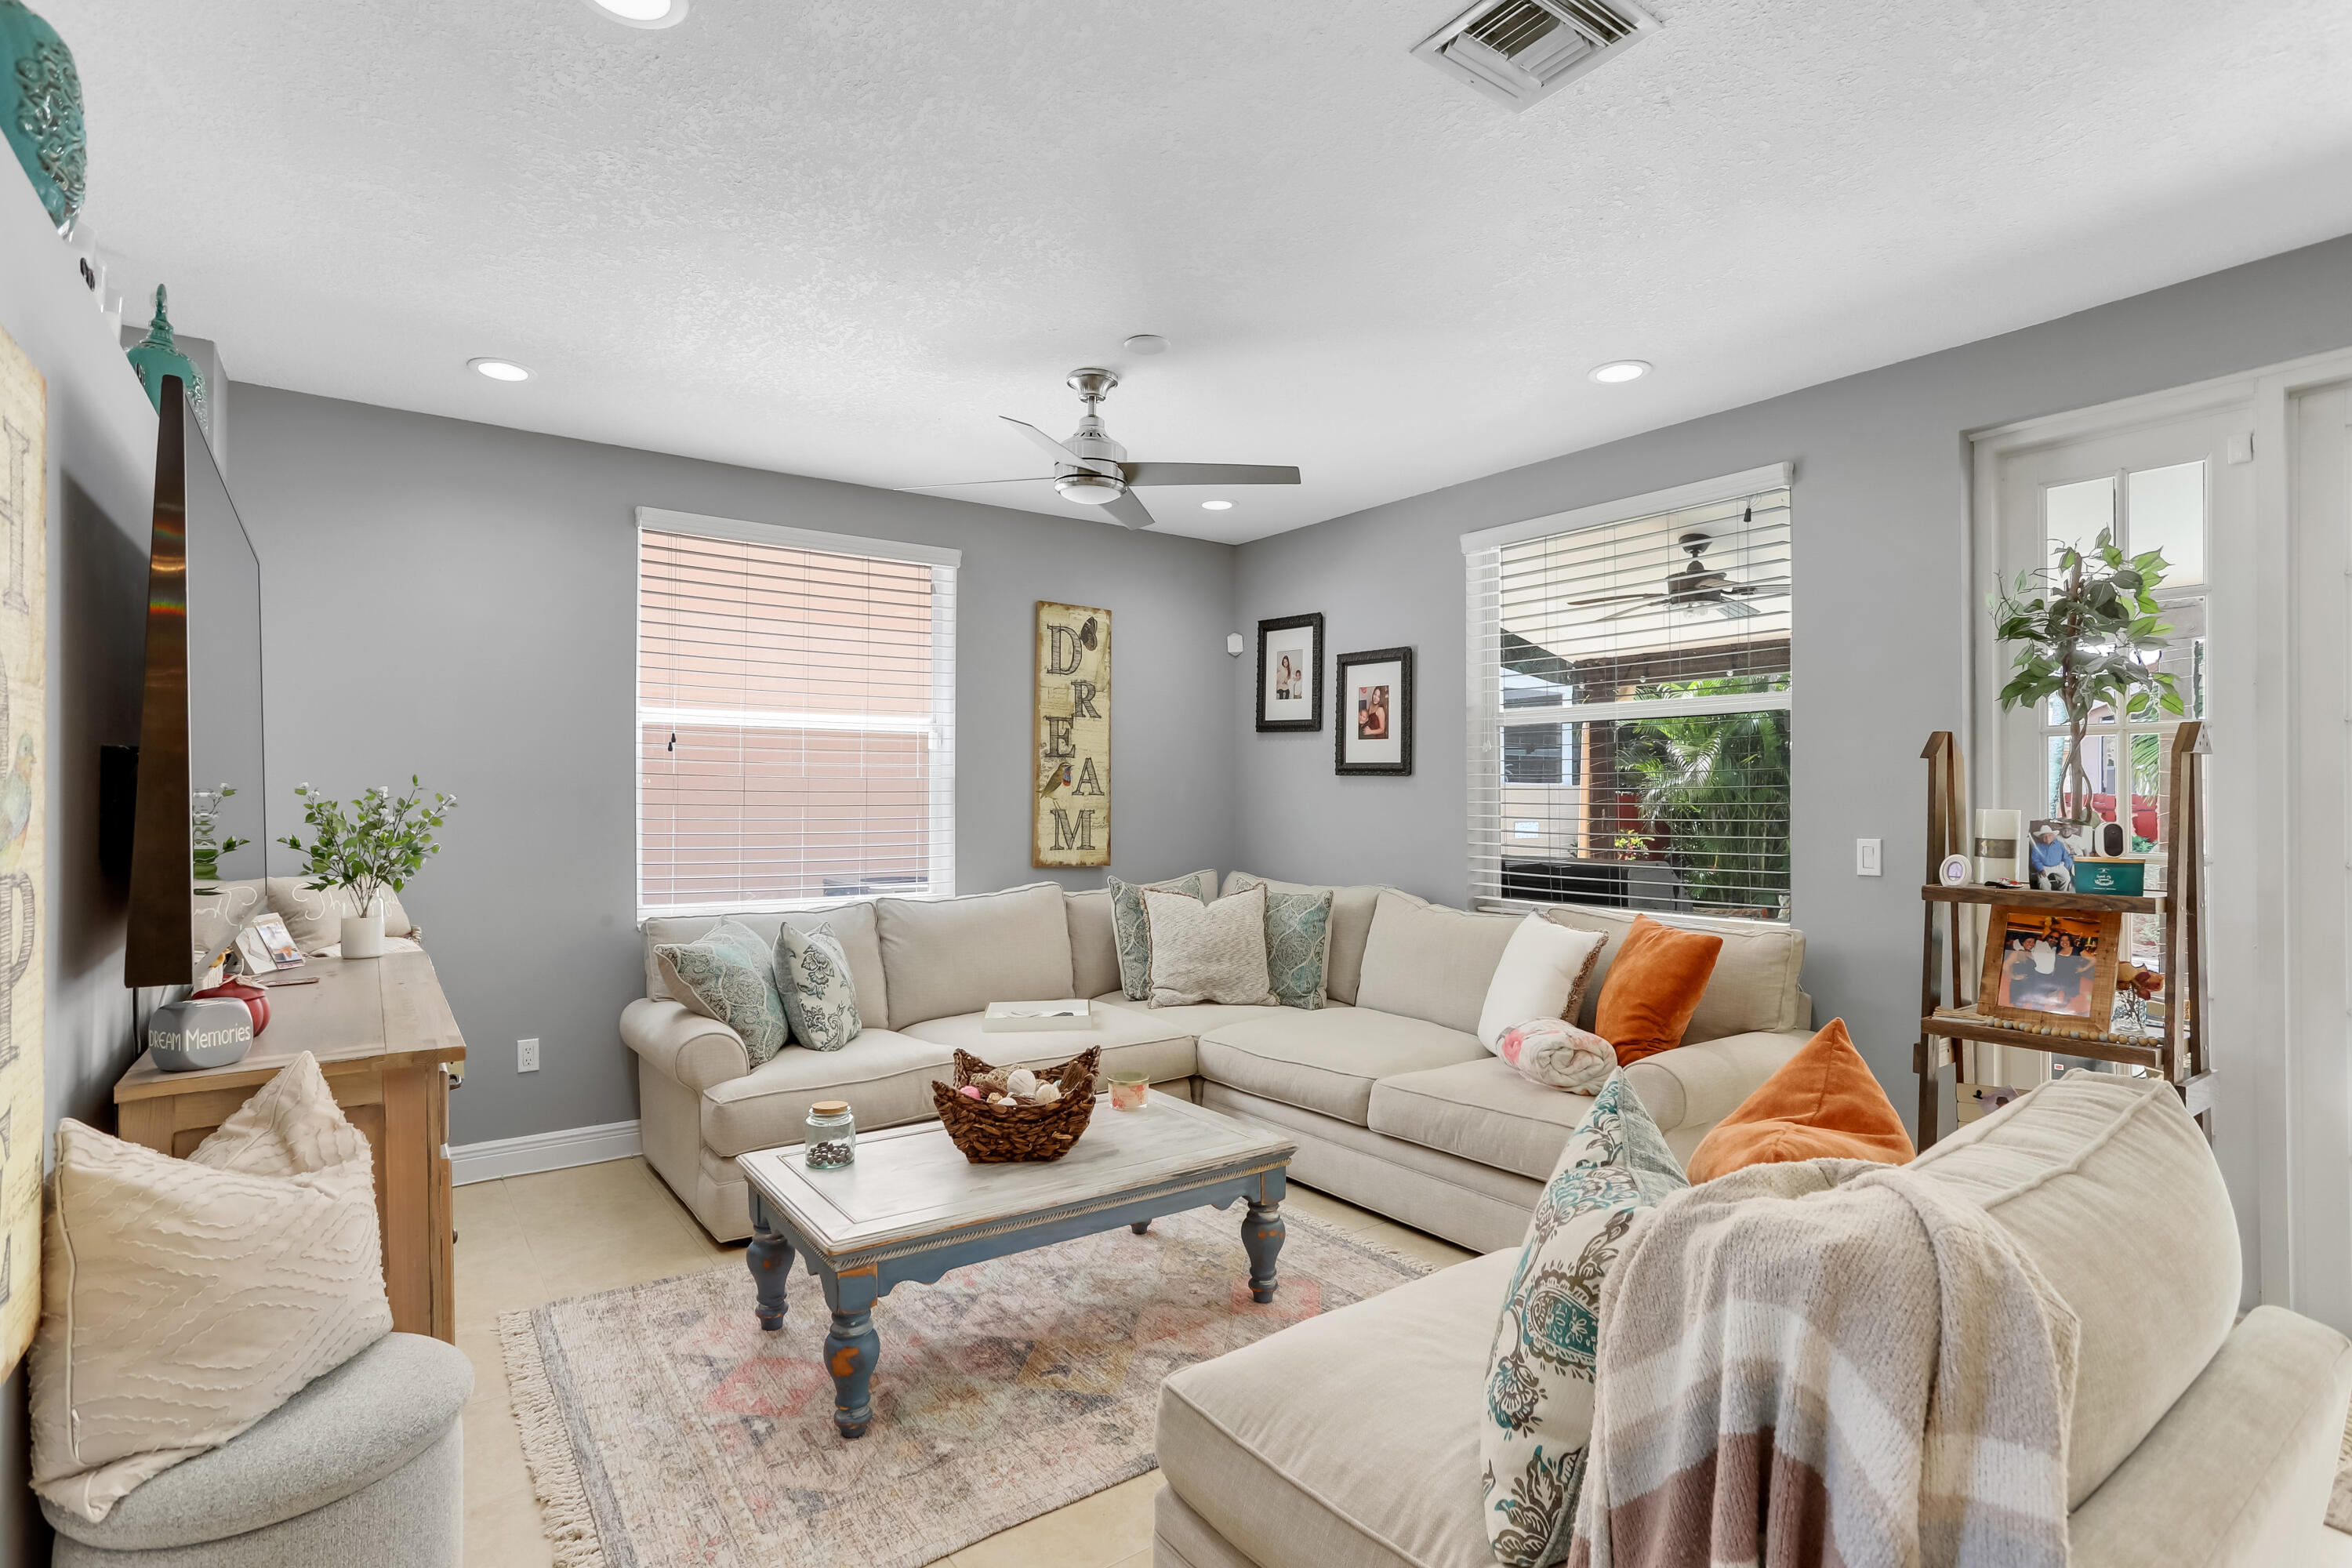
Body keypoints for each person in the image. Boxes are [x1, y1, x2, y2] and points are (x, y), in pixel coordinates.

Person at [2028, 820, 2074, 891]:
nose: (2047, 838)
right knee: (2042, 879)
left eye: (2049, 835)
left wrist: (2067, 866)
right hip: (2044, 867)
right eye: (2045, 836)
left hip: (2059, 865)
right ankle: (2047, 893)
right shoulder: (2037, 846)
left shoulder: (2059, 844)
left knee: (2067, 878)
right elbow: (2035, 860)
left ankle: (2062, 893)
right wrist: (2041, 869)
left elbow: (2066, 856)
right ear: (2041, 837)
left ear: (2053, 836)